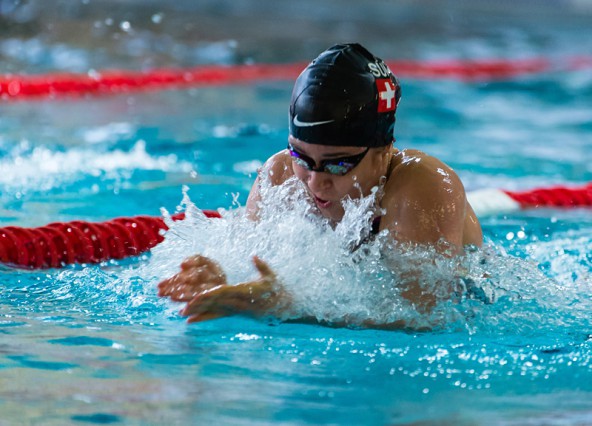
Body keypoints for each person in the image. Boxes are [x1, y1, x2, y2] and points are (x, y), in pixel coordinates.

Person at [157, 43, 483, 327]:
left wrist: (291, 308)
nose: (315, 182)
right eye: (301, 156)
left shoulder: (422, 186)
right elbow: (259, 277)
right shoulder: (280, 175)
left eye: (338, 164)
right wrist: (224, 282)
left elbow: (426, 315)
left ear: (383, 151)